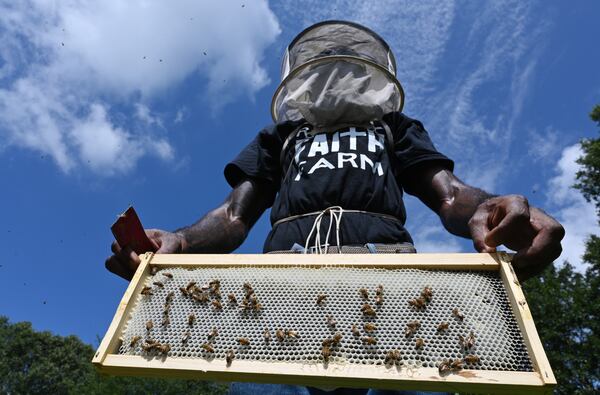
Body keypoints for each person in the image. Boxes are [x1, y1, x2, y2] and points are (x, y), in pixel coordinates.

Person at [105, 21, 564, 395]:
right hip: (277, 302)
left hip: (393, 298)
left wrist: (492, 208)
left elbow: (448, 194)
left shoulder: (393, 129)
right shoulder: (279, 139)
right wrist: (181, 241)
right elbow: (233, 217)